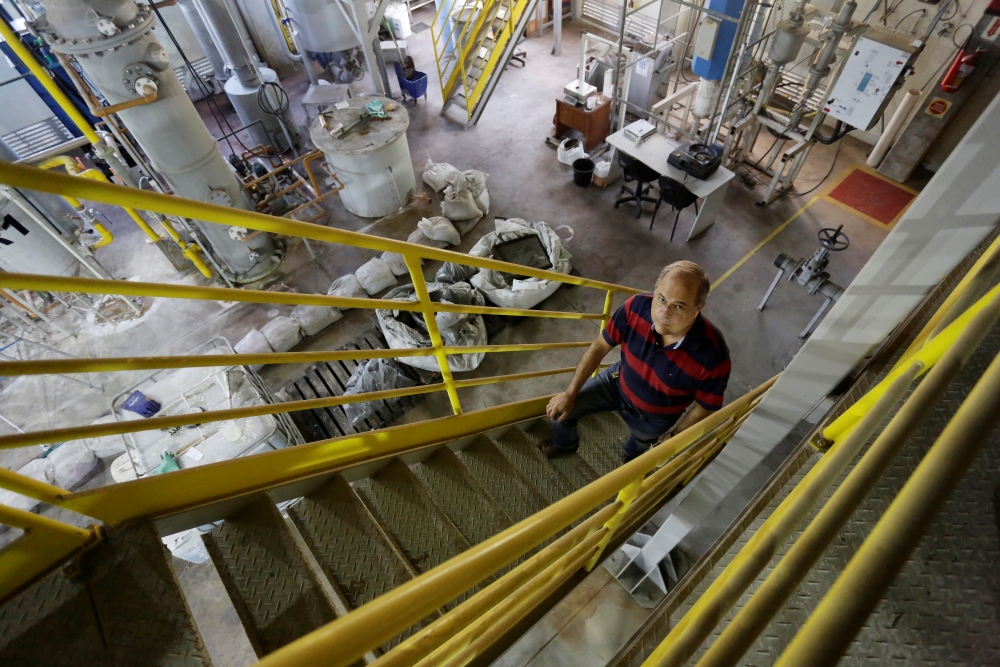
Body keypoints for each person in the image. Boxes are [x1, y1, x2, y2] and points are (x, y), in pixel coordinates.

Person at [539, 261, 731, 463]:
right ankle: (565, 444)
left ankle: (630, 463)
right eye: (661, 299)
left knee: (639, 446)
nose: (663, 313)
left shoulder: (713, 357)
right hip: (615, 383)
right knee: (563, 413)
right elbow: (599, 347)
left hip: (654, 417)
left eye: (679, 306)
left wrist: (674, 437)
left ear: (698, 308)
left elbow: (706, 406)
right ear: (655, 291)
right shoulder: (636, 307)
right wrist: (569, 393)